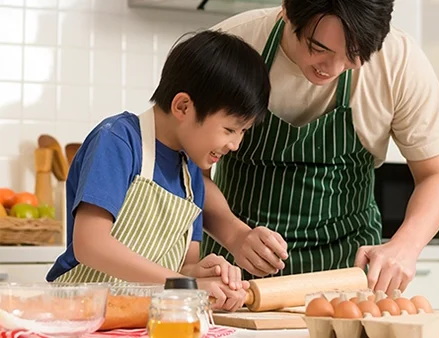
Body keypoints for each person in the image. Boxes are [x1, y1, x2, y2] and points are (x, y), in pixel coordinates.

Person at [200, 0, 439, 295]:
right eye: (318, 48)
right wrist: (235, 235)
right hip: (236, 274)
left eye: (353, 55)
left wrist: (405, 245)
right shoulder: (236, 44)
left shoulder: (397, 61)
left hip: (348, 274)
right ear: (287, 10)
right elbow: (190, 168)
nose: (332, 68)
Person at [46, 30, 271, 311]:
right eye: (230, 129)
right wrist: (185, 285)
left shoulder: (192, 176)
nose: (235, 144)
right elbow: (90, 244)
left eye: (243, 132)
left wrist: (200, 276)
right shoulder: (118, 141)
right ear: (183, 106)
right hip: (78, 316)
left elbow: (183, 265)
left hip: (141, 322)